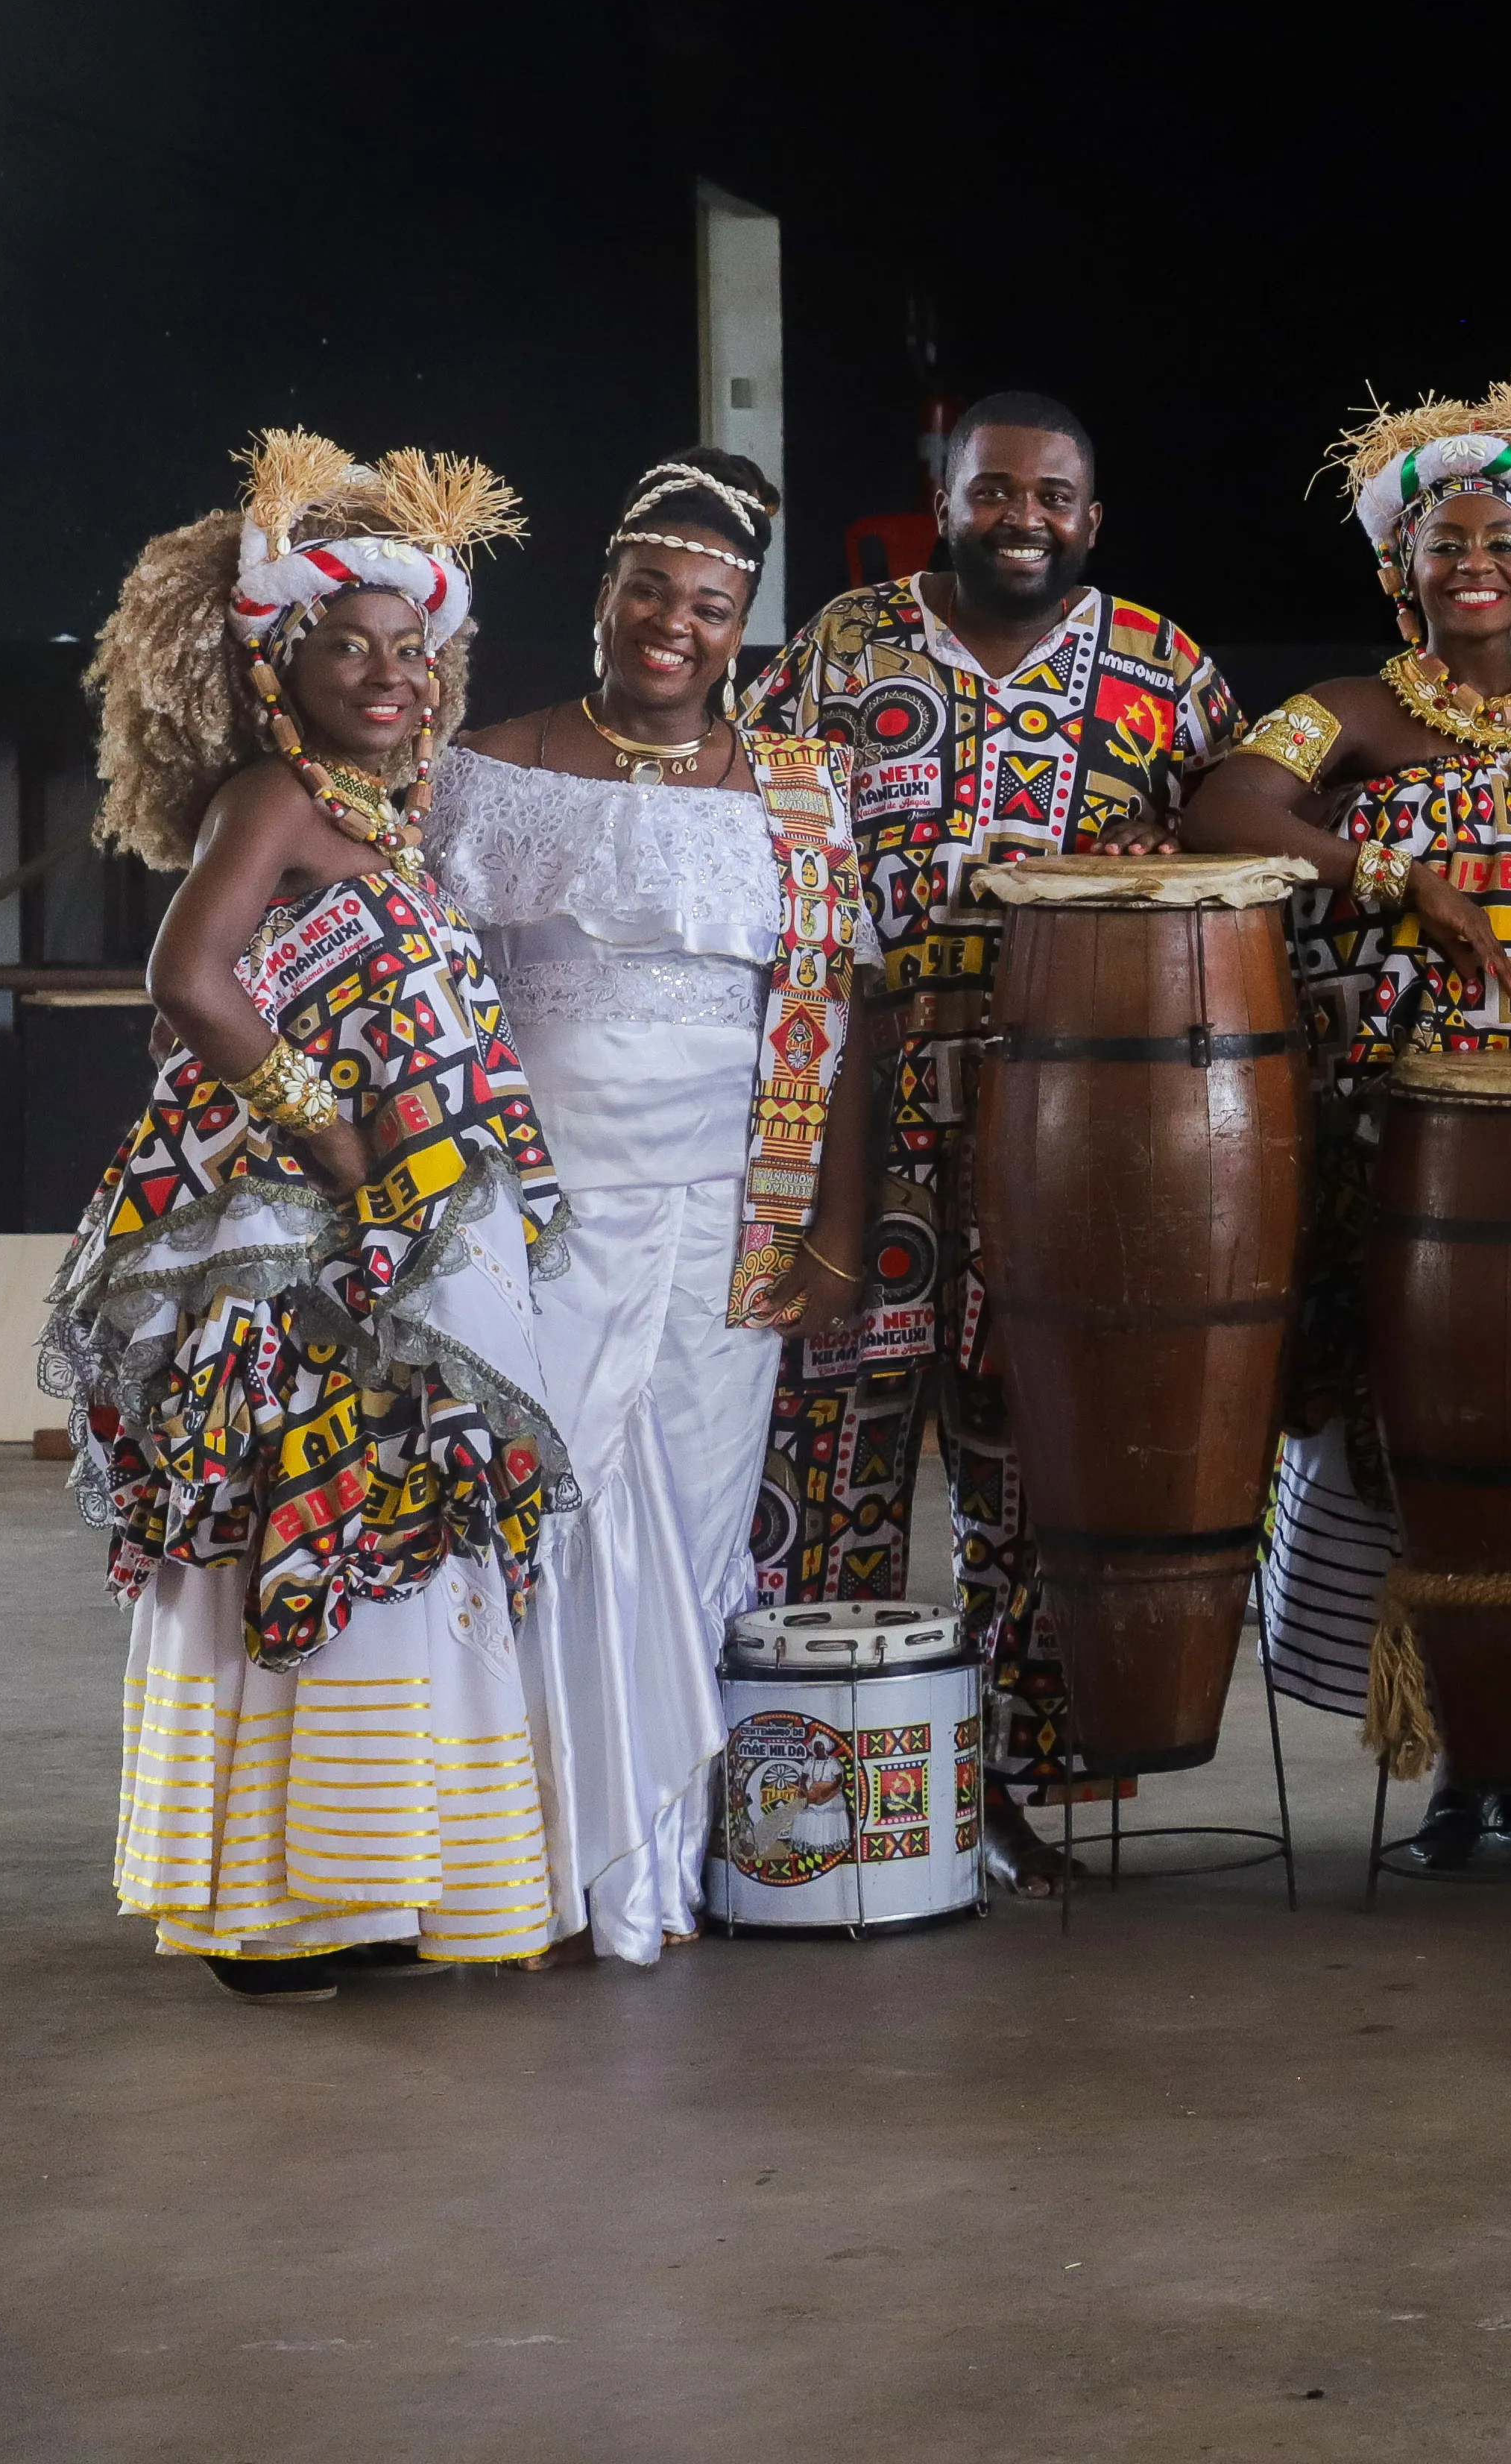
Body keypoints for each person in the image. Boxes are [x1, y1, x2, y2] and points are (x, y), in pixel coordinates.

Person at [42, 432, 571, 1994]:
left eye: (417, 650)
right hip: (297, 1248)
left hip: (393, 1244)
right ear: (281, 662)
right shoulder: (270, 794)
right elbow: (187, 981)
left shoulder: (381, 811)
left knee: (392, 1526)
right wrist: (334, 1141)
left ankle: (373, 1876)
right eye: (355, 647)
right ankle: (267, 1909)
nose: (395, 675)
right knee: (294, 1516)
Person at [1187, 379, 1511, 1865]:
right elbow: (1226, 808)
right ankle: (1465, 1774)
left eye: (1502, 539)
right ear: (1398, 569)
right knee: (1421, 1438)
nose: (1475, 560)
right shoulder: (1347, 714)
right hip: (1404, 1143)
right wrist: (1399, 878)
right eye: (1443, 540)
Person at [743, 390, 1236, 1892]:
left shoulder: (1167, 670)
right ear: (942, 497)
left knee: (1034, 1470)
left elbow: (1233, 873)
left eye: (1056, 494)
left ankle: (1008, 1795)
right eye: (995, 488)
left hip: (1072, 1132)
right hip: (857, 1120)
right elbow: (745, 845)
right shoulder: (839, 647)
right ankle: (806, 1801)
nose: (1025, 514)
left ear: (1093, 513)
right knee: (832, 1453)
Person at [424, 450, 879, 1963]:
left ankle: (650, 1875)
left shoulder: (797, 791)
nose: (674, 622)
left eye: (711, 601)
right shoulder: (482, 769)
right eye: (650, 589)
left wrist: (830, 1229)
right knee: (534, 1515)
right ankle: (514, 1868)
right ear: (604, 594)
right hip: (528, 1216)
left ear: (742, 621)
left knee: (685, 1531)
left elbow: (843, 1016)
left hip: (721, 1222)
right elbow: (426, 1005)